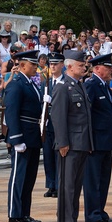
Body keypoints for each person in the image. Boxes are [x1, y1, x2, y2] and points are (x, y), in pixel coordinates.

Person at [48, 49, 92, 222]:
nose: (84, 68)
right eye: (81, 66)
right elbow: (58, 118)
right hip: (70, 144)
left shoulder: (78, 85)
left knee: (75, 184)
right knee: (67, 185)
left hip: (81, 142)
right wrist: (62, 142)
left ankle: (71, 220)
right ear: (69, 67)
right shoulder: (62, 87)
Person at [3, 49, 44, 222]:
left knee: (29, 178)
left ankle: (24, 213)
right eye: (32, 64)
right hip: (23, 135)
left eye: (35, 64)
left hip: (33, 134)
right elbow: (11, 112)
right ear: (22, 65)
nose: (35, 67)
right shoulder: (16, 84)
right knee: (19, 177)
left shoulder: (31, 84)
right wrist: (16, 138)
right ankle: (15, 214)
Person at [84, 53, 112, 222]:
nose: (111, 70)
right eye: (108, 67)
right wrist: (88, 141)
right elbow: (86, 115)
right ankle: (92, 214)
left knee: (104, 178)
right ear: (97, 68)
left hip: (105, 140)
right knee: (93, 179)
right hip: (95, 141)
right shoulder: (91, 85)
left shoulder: (104, 85)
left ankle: (100, 210)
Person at [41, 52, 64, 198]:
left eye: (56, 64)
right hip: (47, 124)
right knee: (48, 156)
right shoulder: (45, 83)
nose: (53, 66)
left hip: (60, 125)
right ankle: (51, 185)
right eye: (51, 64)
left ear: (62, 65)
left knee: (59, 157)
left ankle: (59, 184)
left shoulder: (66, 83)